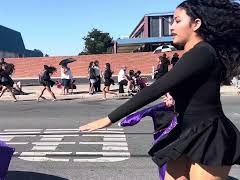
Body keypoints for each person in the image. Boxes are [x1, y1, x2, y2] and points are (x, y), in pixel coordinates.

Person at [80, 1, 240, 179]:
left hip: (209, 135)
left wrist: (108, 119)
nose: (171, 27)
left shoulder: (202, 52)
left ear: (196, 24)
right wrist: (174, 96)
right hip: (183, 131)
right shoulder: (192, 53)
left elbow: (156, 88)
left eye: (177, 21)